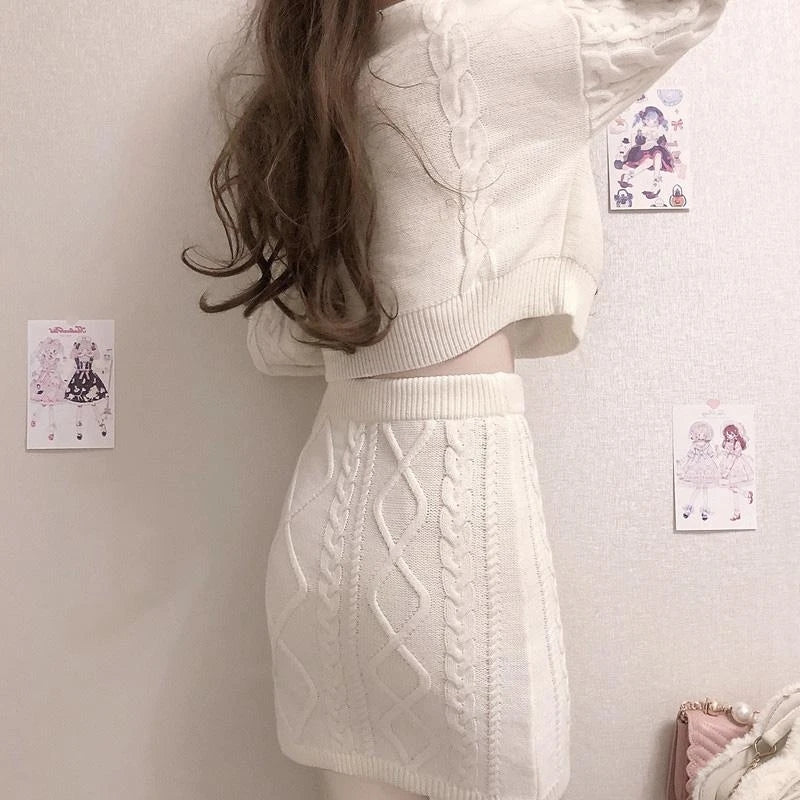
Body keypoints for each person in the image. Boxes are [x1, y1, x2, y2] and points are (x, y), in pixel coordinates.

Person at [182, 1, 731, 797]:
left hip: (325, 528)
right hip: (452, 522)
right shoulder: (468, 40)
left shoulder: (310, 68)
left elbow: (280, 348)